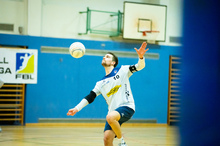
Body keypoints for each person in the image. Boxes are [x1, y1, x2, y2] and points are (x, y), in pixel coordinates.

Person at [67, 42, 149, 146]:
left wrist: (141, 57)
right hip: (113, 113)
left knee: (110, 117)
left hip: (127, 106)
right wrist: (76, 108)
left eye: (107, 57)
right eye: (104, 56)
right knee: (107, 139)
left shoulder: (122, 70)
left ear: (113, 62)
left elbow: (140, 66)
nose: (104, 57)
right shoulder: (100, 83)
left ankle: (121, 142)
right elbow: (90, 97)